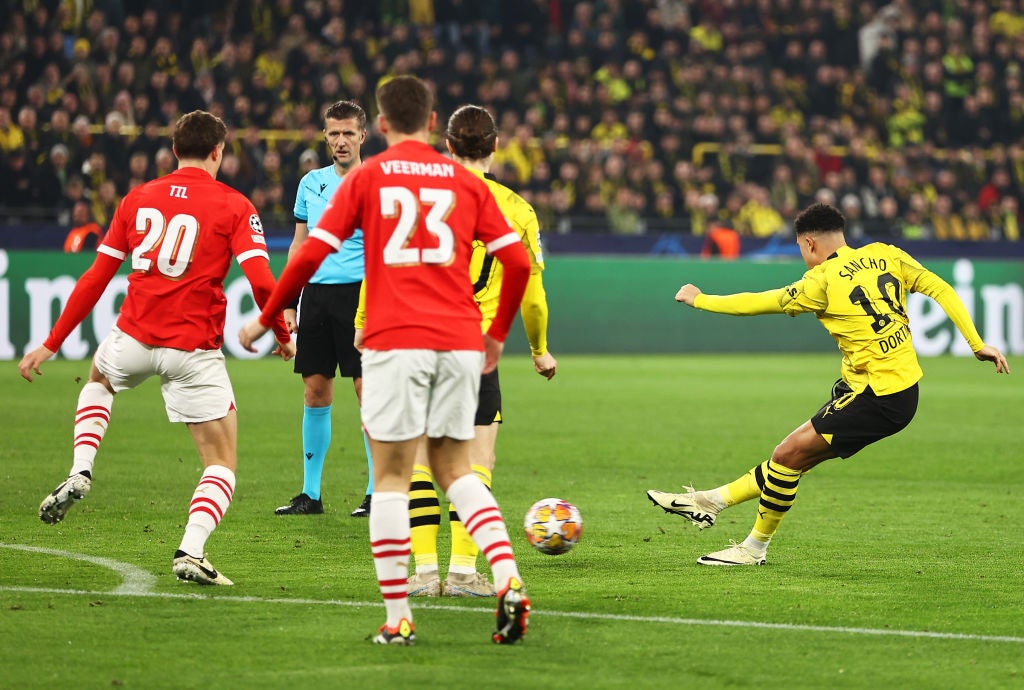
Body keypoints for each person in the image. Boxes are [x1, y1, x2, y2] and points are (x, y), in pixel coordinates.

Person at [239, 75, 533, 645]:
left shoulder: (368, 177)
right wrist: (496, 337)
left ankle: (398, 617)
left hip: (396, 341)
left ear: (379, 126)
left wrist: (268, 314)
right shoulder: (464, 181)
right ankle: (509, 580)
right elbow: (517, 264)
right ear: (431, 125)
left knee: (394, 478)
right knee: (458, 472)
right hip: (458, 341)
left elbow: (312, 253)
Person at [18, 110, 295, 586]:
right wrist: (284, 336)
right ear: (218, 151)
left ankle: (82, 468)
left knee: (100, 379)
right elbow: (264, 283)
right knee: (221, 463)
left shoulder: (138, 198)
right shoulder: (234, 205)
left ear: (173, 150)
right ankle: (190, 549)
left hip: (134, 337)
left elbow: (95, 278)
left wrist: (50, 343)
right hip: (193, 350)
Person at [647, 202, 1010, 566]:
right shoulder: (886, 254)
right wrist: (976, 344)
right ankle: (709, 502)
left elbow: (759, 302)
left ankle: (751, 547)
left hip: (878, 395)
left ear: (808, 244)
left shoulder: (820, 280)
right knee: (791, 459)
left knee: (788, 454)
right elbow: (942, 289)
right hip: (887, 387)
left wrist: (701, 300)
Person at [402, 104, 557, 599]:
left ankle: (424, 573)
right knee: (476, 462)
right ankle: (464, 572)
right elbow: (531, 293)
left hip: (415, 338)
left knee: (424, 461)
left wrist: (365, 324)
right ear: (495, 148)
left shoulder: (420, 197)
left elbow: (386, 265)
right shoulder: (516, 208)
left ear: (446, 146)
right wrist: (539, 349)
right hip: (471, 344)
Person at [274, 100, 375, 518]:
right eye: (333, 133)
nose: (340, 141)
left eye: (348, 133)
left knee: (367, 392)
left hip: (361, 296)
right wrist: (288, 300)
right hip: (315, 295)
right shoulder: (310, 183)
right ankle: (310, 494)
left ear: (363, 136)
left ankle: (377, 493)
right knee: (315, 391)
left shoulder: (376, 183)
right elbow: (299, 245)